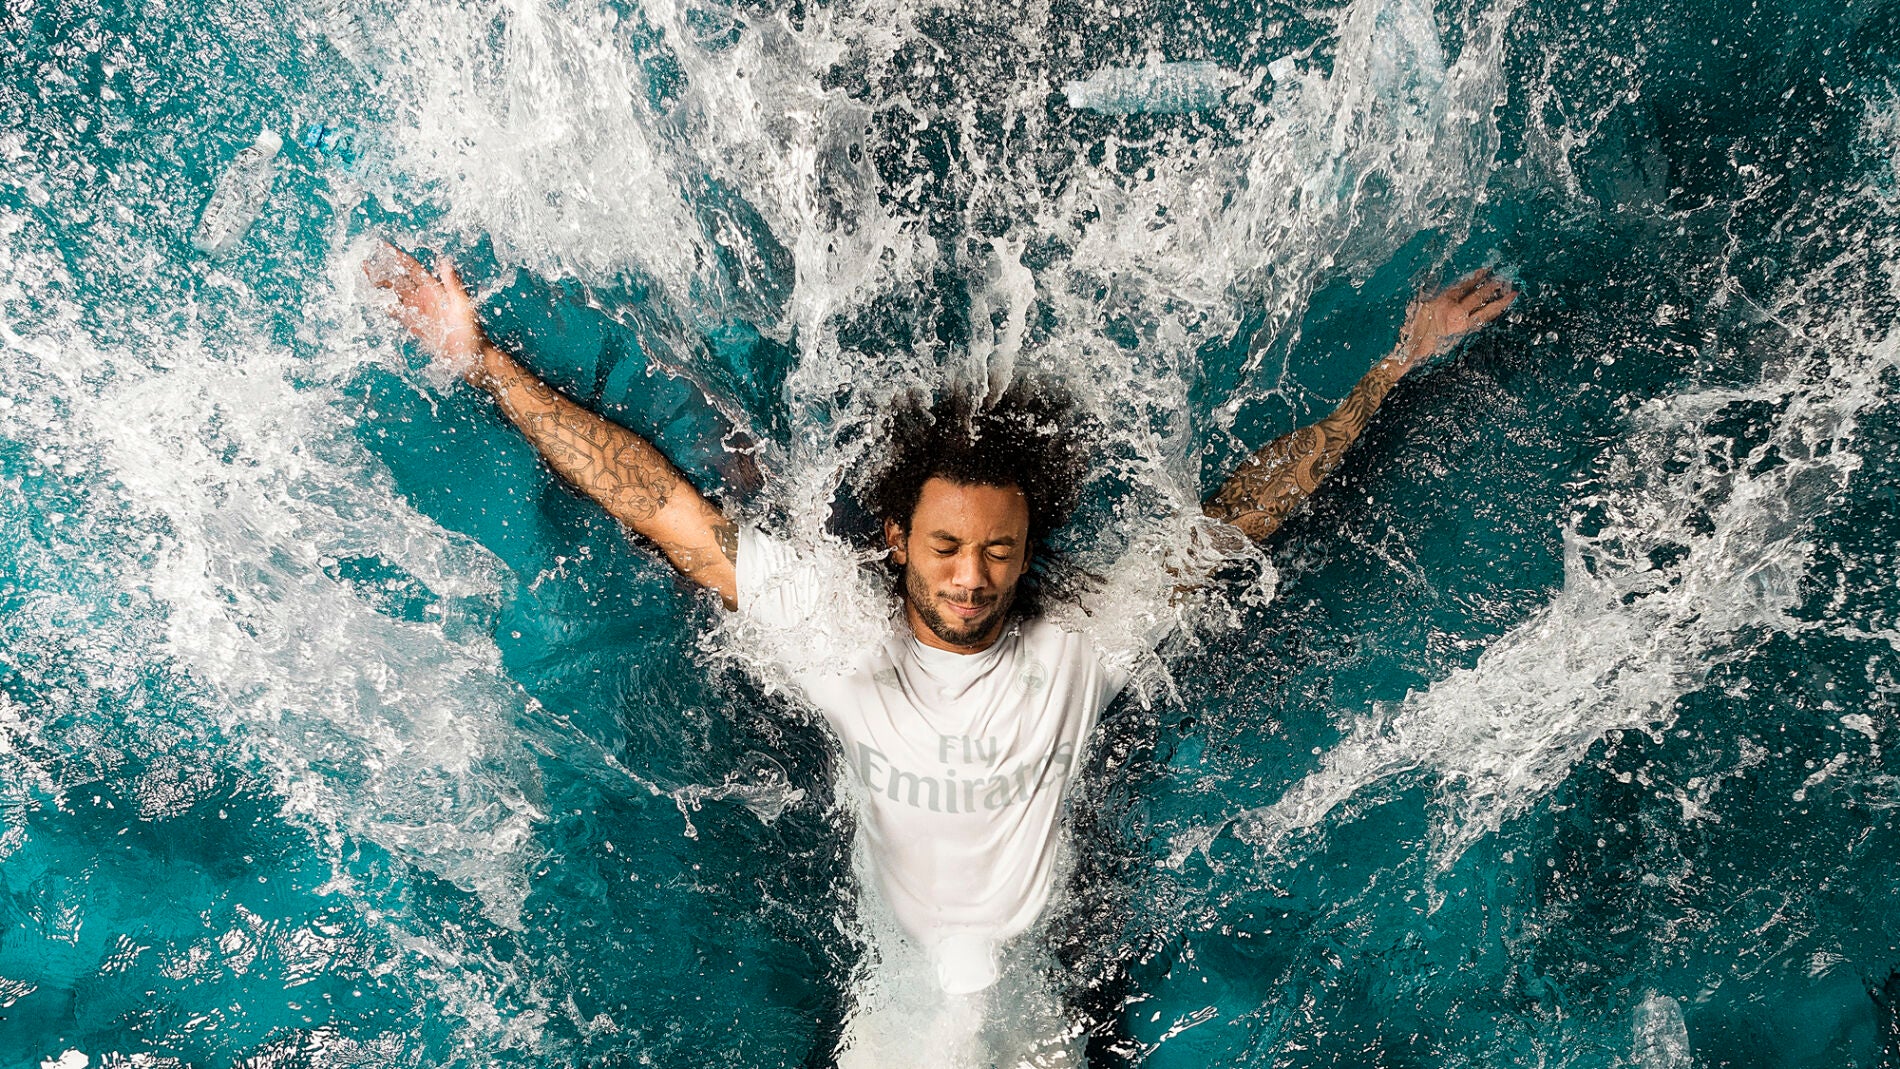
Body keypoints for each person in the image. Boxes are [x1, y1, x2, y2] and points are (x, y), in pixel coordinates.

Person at [364, 243, 1516, 1060]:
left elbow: (1246, 509)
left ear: (1029, 550)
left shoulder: (1082, 638)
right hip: (901, 1005)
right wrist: (482, 360)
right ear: (896, 538)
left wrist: (1391, 368)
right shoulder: (834, 635)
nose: (972, 578)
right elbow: (663, 507)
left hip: (1041, 991)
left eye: (999, 552)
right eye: (949, 546)